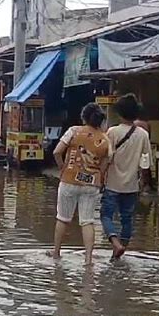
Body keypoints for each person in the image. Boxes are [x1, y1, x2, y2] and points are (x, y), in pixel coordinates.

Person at [49, 103, 112, 265]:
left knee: (63, 218)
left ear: (84, 117)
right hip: (92, 184)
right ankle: (88, 259)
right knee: (87, 221)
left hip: (69, 180)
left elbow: (57, 152)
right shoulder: (105, 139)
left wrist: (62, 168)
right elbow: (105, 164)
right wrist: (100, 178)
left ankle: (56, 253)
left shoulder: (74, 131)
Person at [100, 94, 152, 261]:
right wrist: (145, 183)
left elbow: (107, 158)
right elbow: (146, 163)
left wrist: (100, 177)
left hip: (112, 183)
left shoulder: (112, 132)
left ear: (119, 113)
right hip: (131, 185)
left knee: (106, 215)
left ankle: (115, 244)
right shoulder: (143, 134)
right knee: (127, 219)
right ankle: (120, 252)